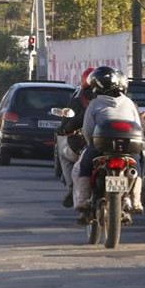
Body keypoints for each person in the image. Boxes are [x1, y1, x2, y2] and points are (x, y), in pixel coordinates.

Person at [72, 66, 144, 218]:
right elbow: (138, 126)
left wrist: (90, 143)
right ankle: (135, 200)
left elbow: (87, 130)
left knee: (85, 165)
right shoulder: (129, 103)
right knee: (137, 166)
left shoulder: (95, 104)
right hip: (129, 147)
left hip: (101, 146)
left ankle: (83, 200)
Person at [57, 67, 95, 208]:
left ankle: (71, 186)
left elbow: (69, 125)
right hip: (118, 145)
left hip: (90, 145)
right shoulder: (121, 101)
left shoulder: (86, 103)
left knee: (65, 155)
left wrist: (65, 129)